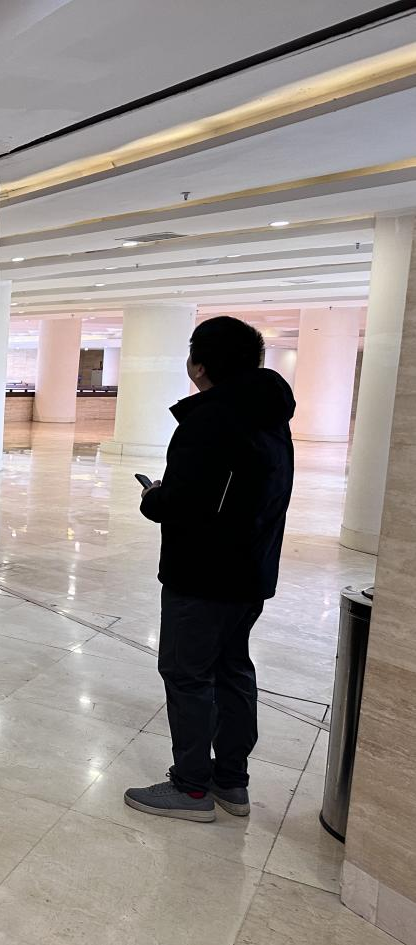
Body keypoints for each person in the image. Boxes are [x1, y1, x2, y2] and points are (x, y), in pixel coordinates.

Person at [124, 315, 295, 823]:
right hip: (251, 570)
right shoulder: (270, 416)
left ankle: (192, 789)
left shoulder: (209, 421)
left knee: (187, 674)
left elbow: (189, 506)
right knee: (232, 668)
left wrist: (155, 498)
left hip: (202, 575)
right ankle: (231, 781)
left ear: (199, 365)